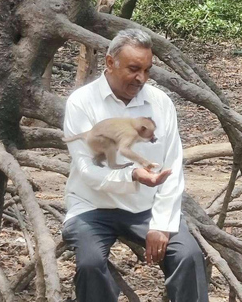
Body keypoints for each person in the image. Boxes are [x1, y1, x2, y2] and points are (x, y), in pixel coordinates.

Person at [62, 28, 209, 302]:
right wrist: (132, 175)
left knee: (188, 256)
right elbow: (87, 170)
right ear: (109, 62)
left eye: (147, 70)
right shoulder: (82, 102)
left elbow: (173, 165)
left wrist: (162, 224)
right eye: (133, 69)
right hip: (93, 206)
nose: (141, 78)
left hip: (146, 207)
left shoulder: (160, 103)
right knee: (90, 264)